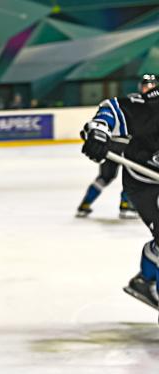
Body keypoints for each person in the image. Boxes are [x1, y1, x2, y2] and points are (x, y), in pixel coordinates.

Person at [80, 74, 159, 310]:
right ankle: (145, 279)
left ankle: (144, 278)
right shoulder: (150, 107)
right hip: (145, 182)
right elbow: (113, 109)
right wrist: (99, 130)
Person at [74, 77, 154, 219]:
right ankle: (122, 205)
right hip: (121, 146)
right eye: (146, 86)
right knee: (116, 176)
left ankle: (88, 204)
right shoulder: (137, 102)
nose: (149, 88)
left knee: (110, 177)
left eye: (152, 85)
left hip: (115, 145)